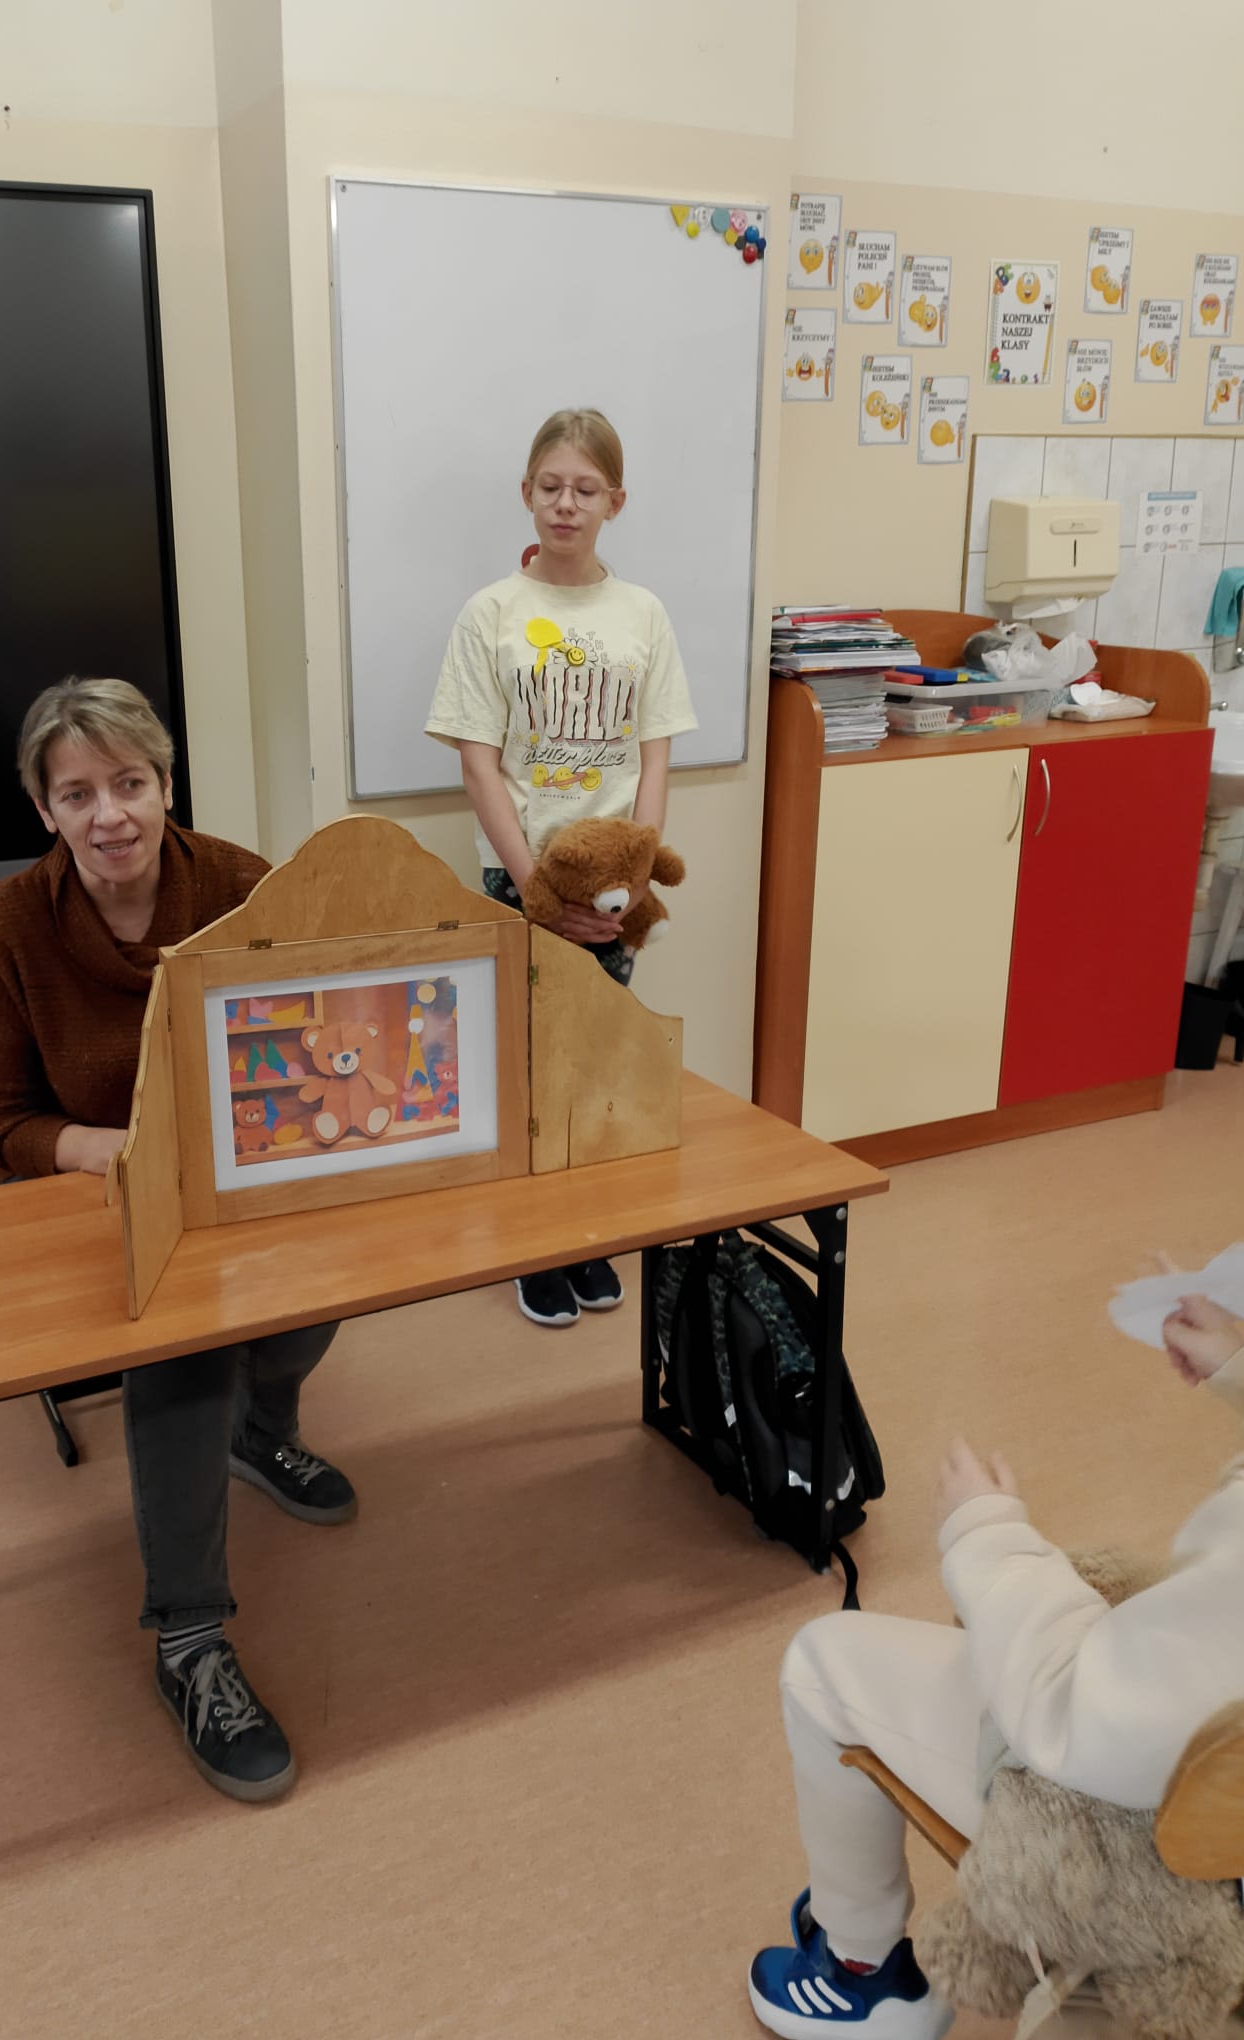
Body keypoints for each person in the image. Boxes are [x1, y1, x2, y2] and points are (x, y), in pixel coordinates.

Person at [0, 676, 353, 1804]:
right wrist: (120, 1152)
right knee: (181, 1358)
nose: (109, 815)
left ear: (166, 786)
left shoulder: (241, 885)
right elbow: (3, 1125)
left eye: (128, 783)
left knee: (321, 1300)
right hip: (108, 1192)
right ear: (45, 809)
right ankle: (189, 1638)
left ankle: (263, 1432)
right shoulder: (7, 931)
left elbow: (324, 1025)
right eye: (78, 794)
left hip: (254, 1171)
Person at [747, 1286, 1244, 2039]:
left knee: (822, 1663)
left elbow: (1085, 1718)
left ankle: (864, 1975)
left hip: (1165, 1842)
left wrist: (988, 1538)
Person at [425, 406, 697, 1329]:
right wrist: (536, 892)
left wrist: (639, 874)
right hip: (522, 880)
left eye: (585, 489)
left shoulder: (643, 615)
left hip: (614, 888)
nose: (566, 504)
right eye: (551, 487)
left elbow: (655, 756)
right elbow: (477, 764)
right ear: (527, 493)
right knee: (526, 1068)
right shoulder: (492, 614)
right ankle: (531, 1248)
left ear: (615, 501)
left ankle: (581, 1235)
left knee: (594, 1066)